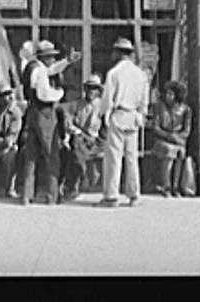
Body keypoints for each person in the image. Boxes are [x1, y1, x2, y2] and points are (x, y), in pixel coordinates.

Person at [19, 39, 80, 206]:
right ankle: (52, 196)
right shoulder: (40, 72)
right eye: (51, 57)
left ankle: (26, 194)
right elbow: (44, 94)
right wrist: (59, 93)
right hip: (44, 112)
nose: (53, 60)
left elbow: (52, 70)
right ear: (44, 57)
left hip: (32, 112)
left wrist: (67, 61)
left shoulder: (33, 68)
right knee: (52, 154)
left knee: (31, 155)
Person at [97, 37, 149, 208]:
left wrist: (103, 114)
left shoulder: (113, 73)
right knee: (132, 158)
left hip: (118, 115)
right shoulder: (140, 74)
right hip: (133, 116)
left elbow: (107, 99)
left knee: (114, 158)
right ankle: (134, 194)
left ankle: (111, 196)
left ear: (119, 53)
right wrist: (141, 114)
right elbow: (144, 99)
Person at [60, 73, 105, 201]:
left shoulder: (102, 106)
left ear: (99, 91)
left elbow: (107, 127)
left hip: (97, 141)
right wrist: (77, 131)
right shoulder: (77, 104)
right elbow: (68, 121)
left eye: (94, 88)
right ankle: (76, 183)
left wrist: (99, 139)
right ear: (85, 89)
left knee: (77, 150)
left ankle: (81, 177)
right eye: (89, 88)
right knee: (75, 147)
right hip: (81, 139)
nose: (91, 91)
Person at [151, 80, 193, 197]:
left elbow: (187, 130)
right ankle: (166, 186)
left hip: (178, 139)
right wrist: (169, 137)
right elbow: (155, 127)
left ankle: (176, 186)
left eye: (171, 94)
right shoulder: (159, 106)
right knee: (169, 151)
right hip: (163, 139)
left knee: (181, 152)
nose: (168, 96)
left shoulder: (186, 110)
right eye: (167, 93)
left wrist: (179, 138)